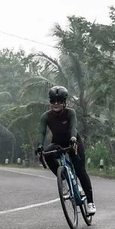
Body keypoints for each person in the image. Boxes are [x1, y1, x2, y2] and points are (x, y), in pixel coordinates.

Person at [35, 86, 96, 215]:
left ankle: (90, 203)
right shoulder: (45, 116)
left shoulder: (70, 112)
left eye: (59, 101)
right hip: (57, 143)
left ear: (64, 102)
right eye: (53, 101)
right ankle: (64, 181)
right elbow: (41, 132)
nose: (56, 104)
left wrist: (73, 139)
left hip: (73, 142)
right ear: (50, 102)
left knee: (80, 171)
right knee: (47, 154)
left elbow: (73, 126)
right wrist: (39, 146)